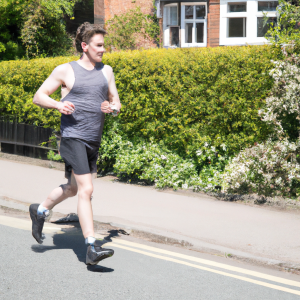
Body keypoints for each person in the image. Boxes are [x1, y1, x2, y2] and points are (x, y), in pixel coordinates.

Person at [29, 22, 121, 265]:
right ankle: (91, 247)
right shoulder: (65, 70)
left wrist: (111, 108)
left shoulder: (107, 71)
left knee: (72, 189)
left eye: (104, 45)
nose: (103, 49)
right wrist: (59, 105)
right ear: (84, 46)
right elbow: (39, 96)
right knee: (87, 190)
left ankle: (40, 211)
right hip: (72, 137)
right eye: (99, 45)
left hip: (93, 139)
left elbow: (116, 103)